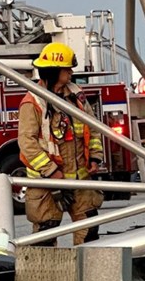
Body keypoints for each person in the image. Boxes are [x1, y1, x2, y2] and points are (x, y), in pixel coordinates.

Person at [18, 43, 104, 246]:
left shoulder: (76, 95)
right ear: (55, 71)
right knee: (45, 236)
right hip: (46, 184)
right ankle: (47, 278)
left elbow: (93, 127)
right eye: (67, 69)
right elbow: (27, 142)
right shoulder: (33, 103)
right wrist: (51, 171)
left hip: (80, 180)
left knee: (89, 231)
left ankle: (87, 276)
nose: (71, 72)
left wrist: (94, 156)